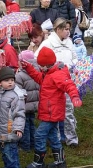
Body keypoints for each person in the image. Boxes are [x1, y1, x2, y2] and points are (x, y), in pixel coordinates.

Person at [20, 46, 82, 168]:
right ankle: (60, 161)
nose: (40, 68)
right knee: (53, 136)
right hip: (49, 111)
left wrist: (75, 97)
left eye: (41, 66)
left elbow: (69, 85)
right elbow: (39, 79)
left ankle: (38, 162)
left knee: (39, 135)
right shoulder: (47, 73)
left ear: (48, 64)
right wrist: (29, 68)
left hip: (52, 112)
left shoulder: (57, 75)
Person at [34, 17, 79, 147]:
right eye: (65, 29)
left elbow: (75, 57)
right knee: (55, 110)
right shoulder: (48, 43)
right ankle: (57, 138)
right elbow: (38, 58)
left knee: (69, 110)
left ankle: (71, 138)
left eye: (69, 29)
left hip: (67, 78)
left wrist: (72, 66)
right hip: (53, 83)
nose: (68, 32)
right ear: (58, 29)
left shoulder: (69, 42)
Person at [16, 50, 40, 152]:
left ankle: (25, 145)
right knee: (31, 123)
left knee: (24, 125)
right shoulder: (37, 71)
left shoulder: (20, 75)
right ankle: (33, 143)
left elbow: (18, 91)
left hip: (24, 104)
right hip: (35, 103)